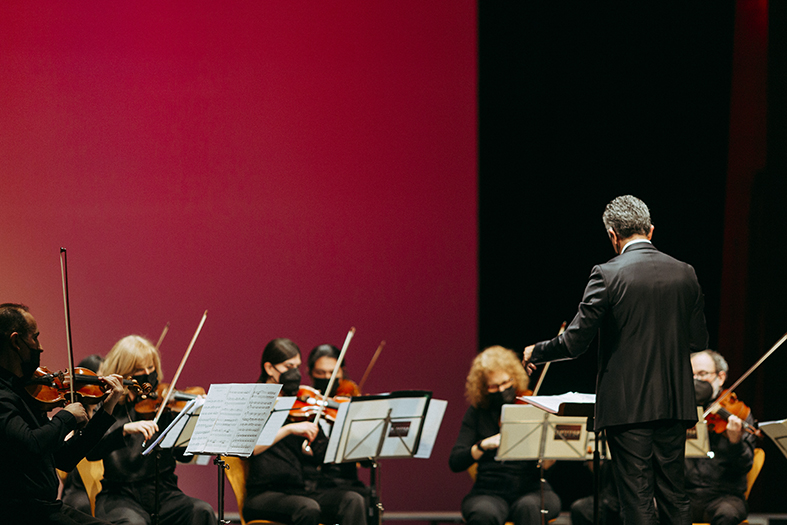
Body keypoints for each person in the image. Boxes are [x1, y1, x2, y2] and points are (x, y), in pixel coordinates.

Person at [523, 195, 709, 524]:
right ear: (650, 230)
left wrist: (537, 351)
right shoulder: (686, 273)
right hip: (675, 405)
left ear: (612, 234)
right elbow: (698, 341)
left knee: (636, 499)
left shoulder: (606, 274)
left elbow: (575, 343)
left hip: (628, 408)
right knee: (674, 495)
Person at [0, 303, 124, 525]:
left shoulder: (26, 391)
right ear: (16, 342)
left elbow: (65, 458)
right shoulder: (3, 397)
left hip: (47, 507)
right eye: (35, 338)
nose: (41, 347)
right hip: (21, 512)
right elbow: (31, 444)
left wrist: (106, 409)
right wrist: (66, 417)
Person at [87, 335, 217, 525]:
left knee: (202, 511)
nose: (147, 373)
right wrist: (123, 430)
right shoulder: (107, 406)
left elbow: (184, 456)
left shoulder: (163, 404)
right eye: (139, 369)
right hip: (120, 495)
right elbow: (92, 452)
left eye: (151, 367)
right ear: (123, 372)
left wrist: (192, 427)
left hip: (163, 492)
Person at [244, 338, 366, 525]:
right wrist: (289, 429)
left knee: (352, 500)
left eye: (297, 367)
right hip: (264, 493)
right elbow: (248, 448)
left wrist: (317, 448)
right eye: (288, 366)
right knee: (307, 508)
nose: (295, 373)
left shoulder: (300, 403)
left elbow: (321, 451)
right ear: (269, 369)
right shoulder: (255, 402)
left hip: (299, 490)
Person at [449, 345, 561, 525]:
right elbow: (455, 461)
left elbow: (546, 466)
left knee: (530, 508)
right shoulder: (478, 412)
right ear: (483, 387)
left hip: (531, 489)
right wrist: (482, 445)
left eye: (506, 383)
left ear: (515, 378)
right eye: (494, 386)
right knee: (483, 513)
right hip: (488, 492)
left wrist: (549, 455)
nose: (502, 390)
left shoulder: (531, 406)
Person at [686, 350, 756, 525]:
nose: (695, 381)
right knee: (648, 509)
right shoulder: (679, 412)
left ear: (721, 377)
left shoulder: (737, 413)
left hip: (723, 496)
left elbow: (745, 465)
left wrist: (735, 442)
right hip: (684, 494)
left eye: (702, 374)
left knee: (727, 514)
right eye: (690, 375)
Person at [61, 354, 106, 515]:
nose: (104, 385)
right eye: (99, 380)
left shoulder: (103, 413)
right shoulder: (74, 413)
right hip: (78, 489)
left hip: (102, 484)